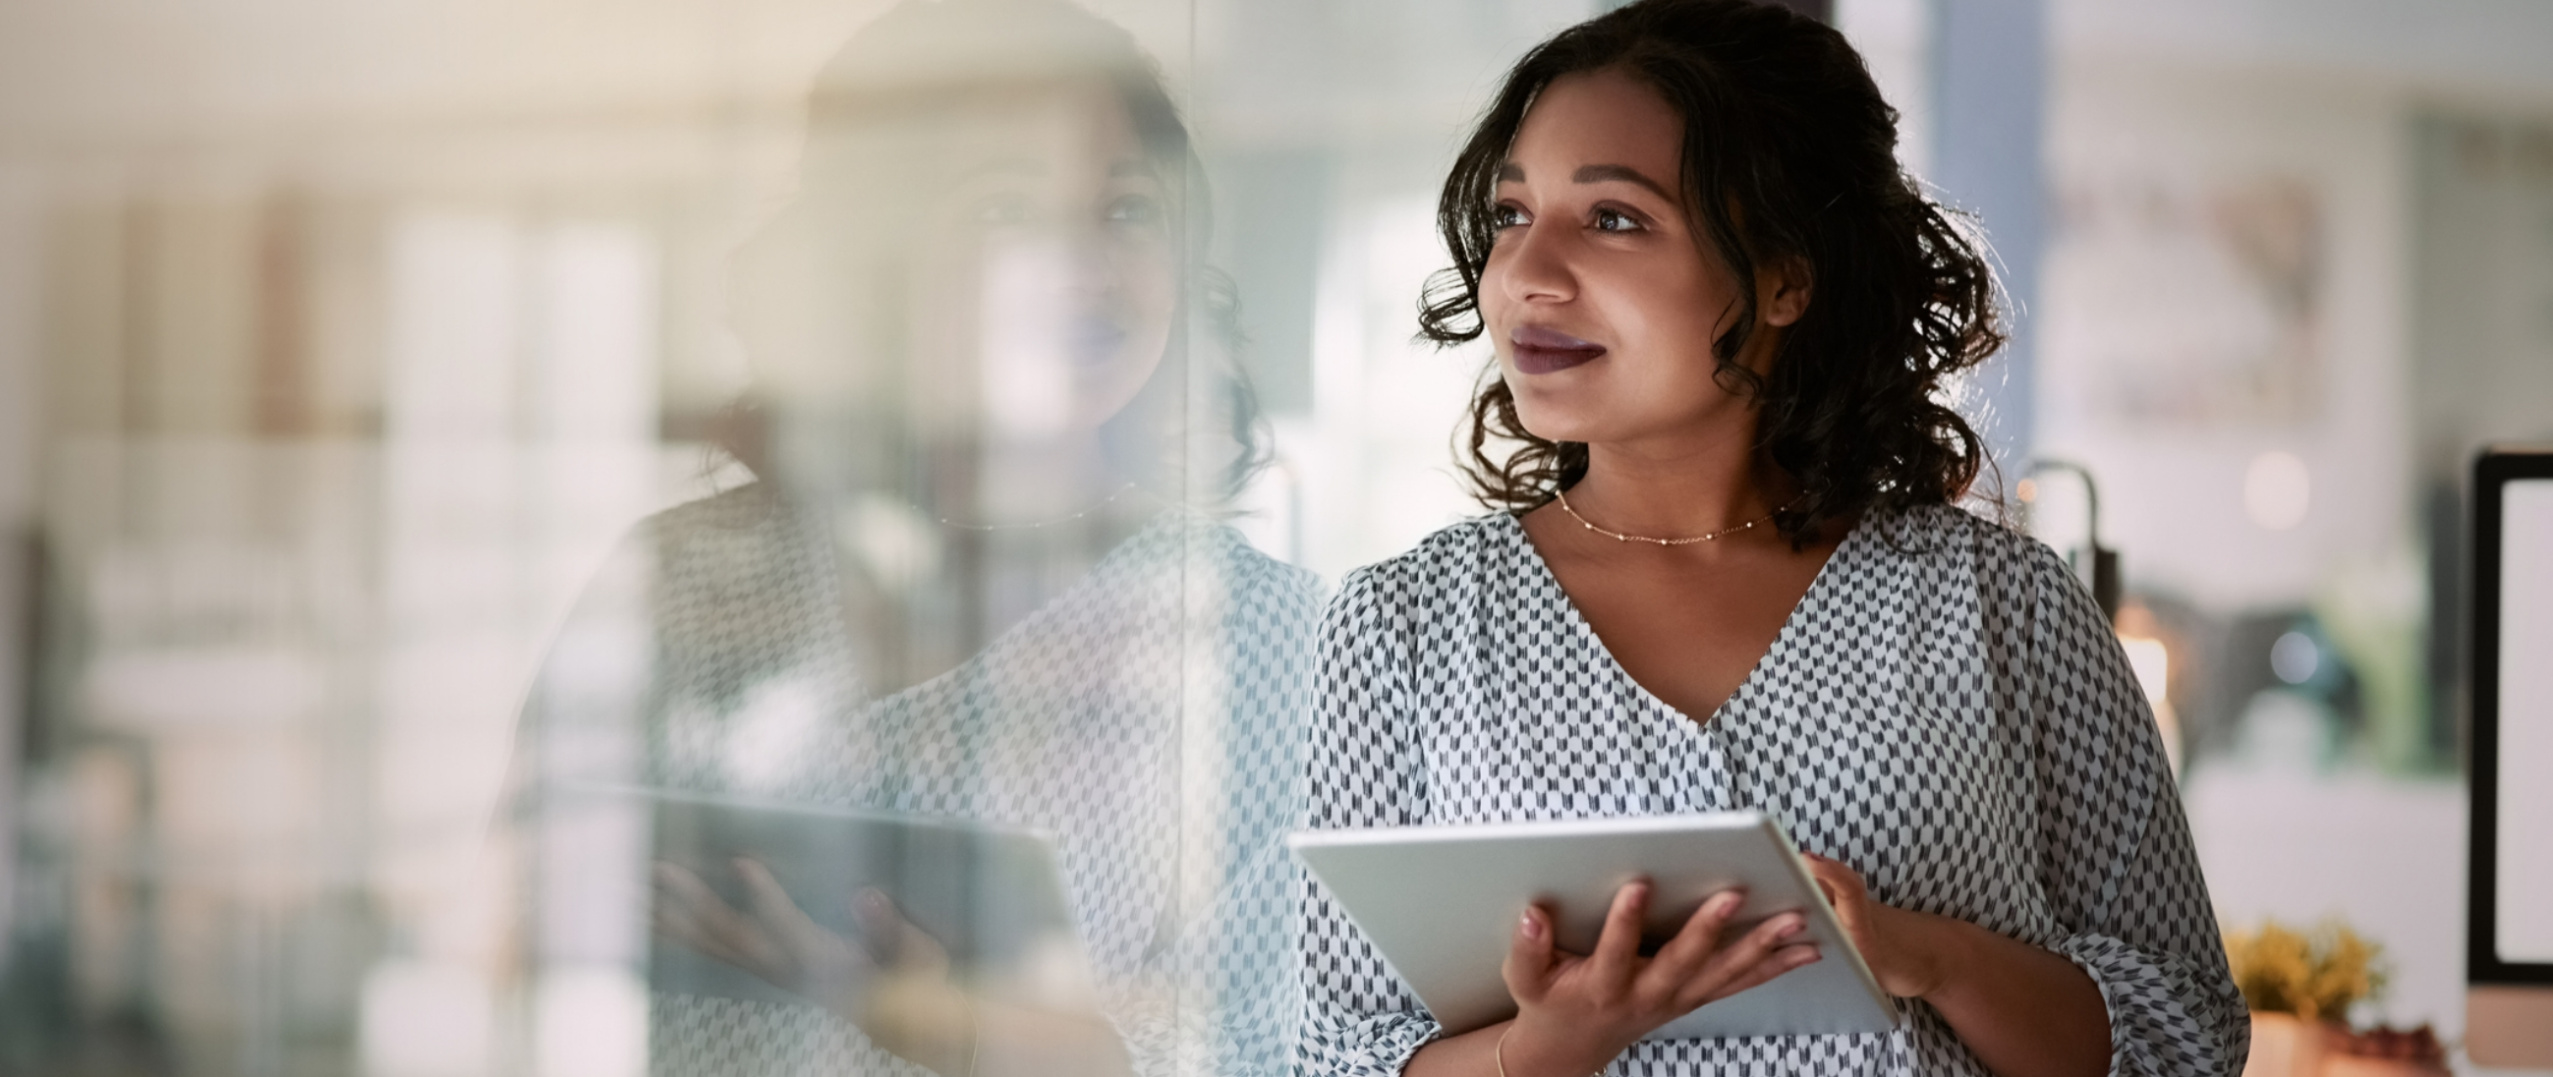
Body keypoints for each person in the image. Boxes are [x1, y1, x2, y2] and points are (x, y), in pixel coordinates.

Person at [1293, 2, 2245, 1076]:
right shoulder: (1400, 632)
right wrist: (1539, 1052)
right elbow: (1337, 1056)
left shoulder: (2003, 608)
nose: (1528, 274)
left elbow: (2186, 1037)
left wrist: (1925, 955)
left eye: (1613, 219)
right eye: (1513, 215)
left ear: (1785, 278)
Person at [503, 2, 1315, 1075]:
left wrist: (955, 1026)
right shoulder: (684, 574)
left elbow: (1288, 1047)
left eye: (1124, 212)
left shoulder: (1271, 637)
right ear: (868, 254)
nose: (1080, 262)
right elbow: (515, 935)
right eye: (1002, 212)